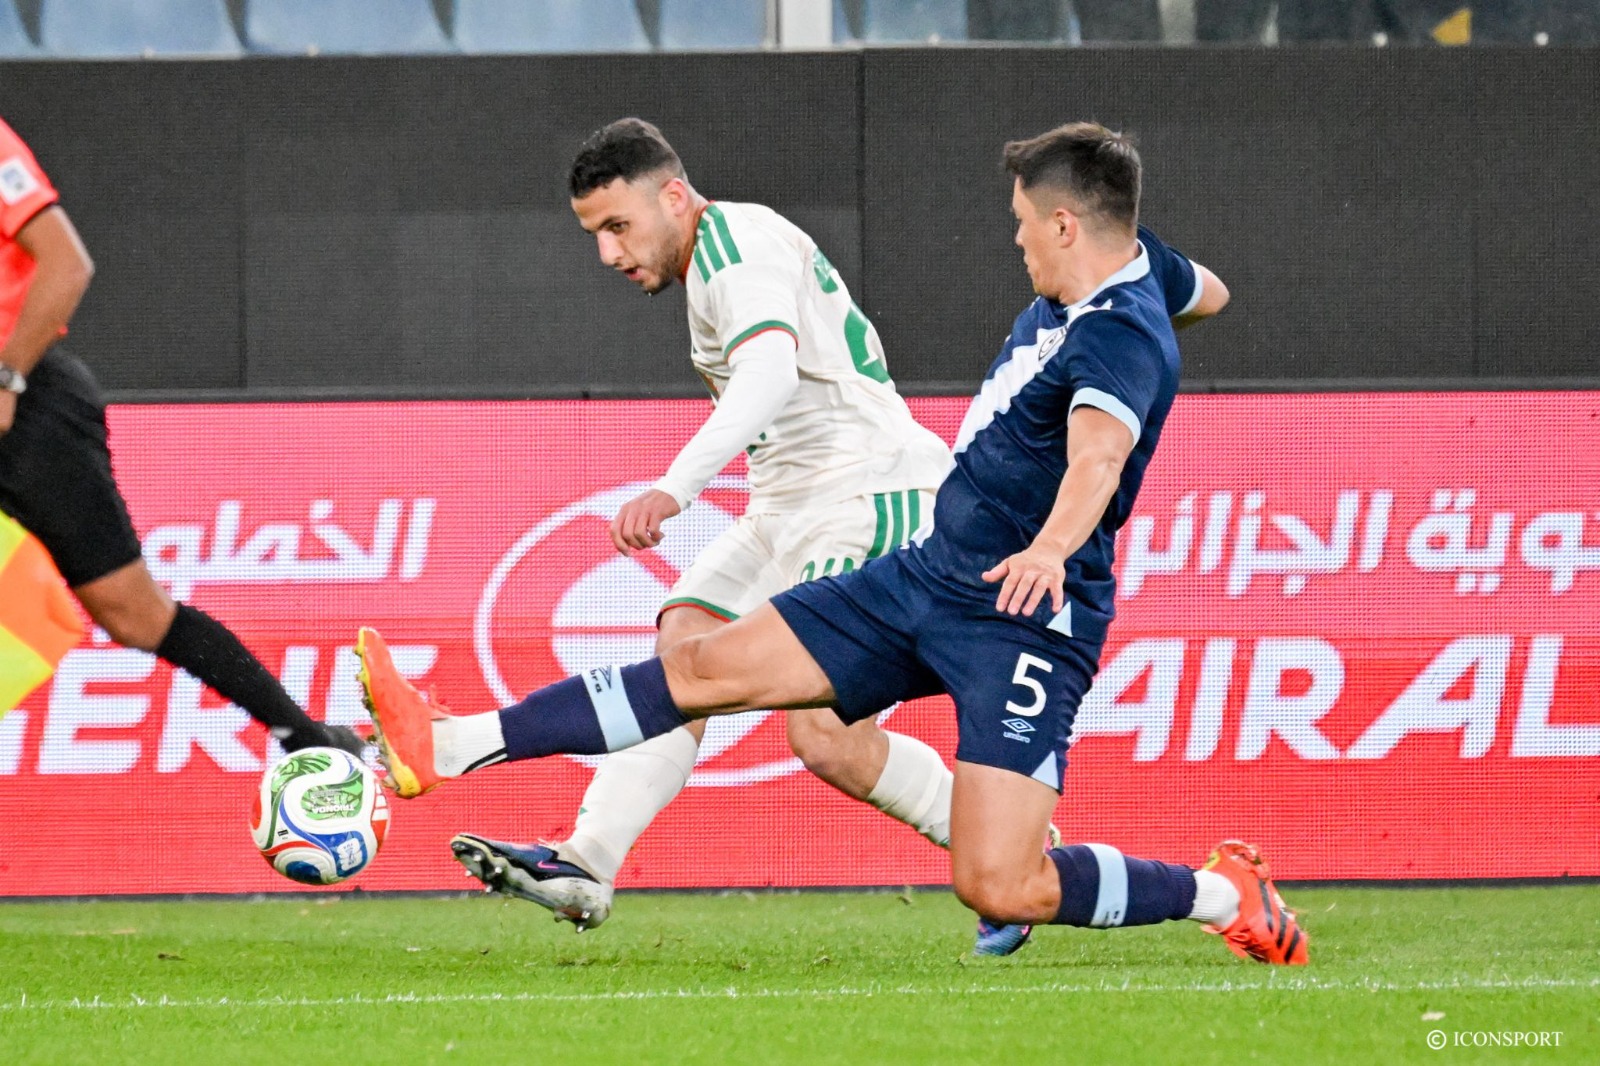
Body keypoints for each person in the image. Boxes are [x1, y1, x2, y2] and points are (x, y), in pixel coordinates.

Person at [359, 121, 1306, 965]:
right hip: (925, 570)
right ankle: (450, 747)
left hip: (1012, 608)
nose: (1013, 238)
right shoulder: (1133, 276)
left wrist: (1054, 547)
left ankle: (1223, 893)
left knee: (1000, 879)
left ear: (1065, 226)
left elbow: (1098, 458)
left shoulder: (1118, 335)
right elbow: (1207, 290)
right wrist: (1164, 294)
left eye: (1024, 221)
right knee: (697, 663)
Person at [446, 117, 1039, 954]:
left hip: (871, 493)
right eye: (595, 235)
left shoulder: (738, 245)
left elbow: (766, 373)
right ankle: (586, 860)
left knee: (825, 735)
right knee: (683, 638)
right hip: (788, 507)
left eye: (619, 226)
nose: (609, 255)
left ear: (675, 196)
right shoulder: (711, 265)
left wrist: (672, 488)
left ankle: (1019, 865)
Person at [0, 115, 361, 757]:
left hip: (26, 405)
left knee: (131, 613)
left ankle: (305, 737)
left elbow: (66, 263)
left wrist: (6, 379)